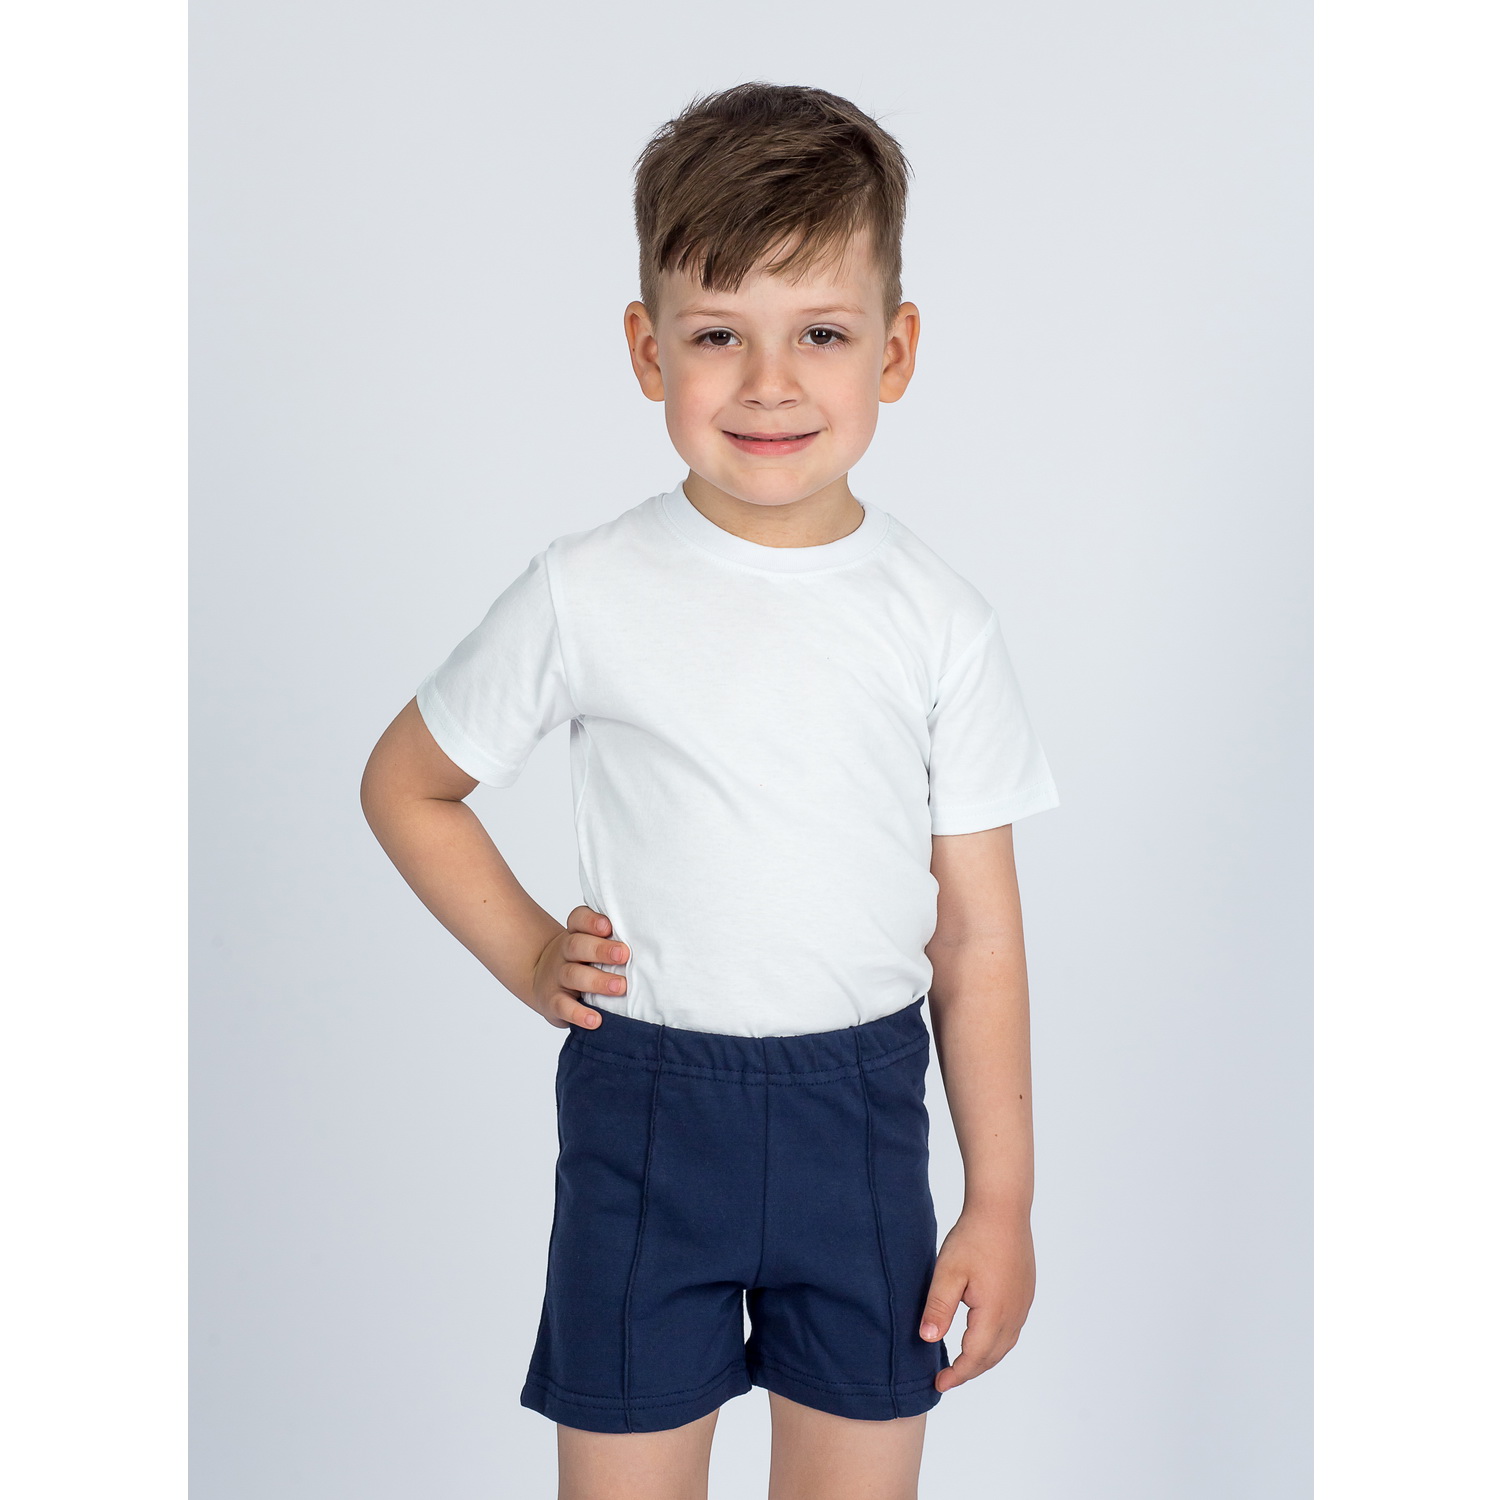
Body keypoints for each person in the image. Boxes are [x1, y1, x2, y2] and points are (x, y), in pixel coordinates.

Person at [360, 81, 1059, 1500]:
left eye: (822, 334)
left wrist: (1001, 1200)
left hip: (859, 1123)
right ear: (647, 348)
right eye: (718, 334)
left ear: (895, 351)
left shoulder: (938, 620)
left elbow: (978, 934)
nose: (769, 383)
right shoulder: (588, 589)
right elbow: (409, 785)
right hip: (647, 1118)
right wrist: (528, 953)